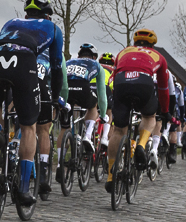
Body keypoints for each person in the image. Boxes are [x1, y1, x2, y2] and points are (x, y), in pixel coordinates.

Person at [0, 0, 64, 207]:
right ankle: (23, 189)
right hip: (24, 66)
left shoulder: (11, 22)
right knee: (29, 126)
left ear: (26, 15)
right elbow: (57, 67)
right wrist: (54, 97)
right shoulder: (53, 28)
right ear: (48, 17)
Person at [105, 29, 170, 191]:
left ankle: (110, 176)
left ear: (134, 43)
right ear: (152, 45)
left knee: (118, 130)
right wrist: (165, 110)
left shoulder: (123, 52)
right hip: (144, 83)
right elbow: (163, 88)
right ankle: (141, 145)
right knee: (149, 117)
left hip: (121, 83)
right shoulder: (159, 57)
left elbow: (114, 74)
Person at [61, 43, 108, 163]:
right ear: (94, 57)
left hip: (66, 90)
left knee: (64, 128)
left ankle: (60, 161)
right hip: (83, 89)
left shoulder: (68, 62)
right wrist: (103, 115)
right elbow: (102, 95)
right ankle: (87, 135)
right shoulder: (97, 65)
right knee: (93, 105)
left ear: (79, 55)